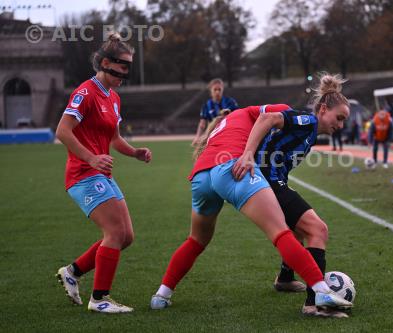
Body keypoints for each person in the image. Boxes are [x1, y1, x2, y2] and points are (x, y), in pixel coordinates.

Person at [150, 100, 352, 314]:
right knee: (282, 232)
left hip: (202, 176)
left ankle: (161, 295)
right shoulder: (250, 113)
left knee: (196, 240)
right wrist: (248, 153)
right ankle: (320, 291)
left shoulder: (222, 125)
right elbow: (269, 116)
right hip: (231, 169)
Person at [232, 73, 351, 317]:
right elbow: (267, 118)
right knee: (318, 230)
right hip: (266, 179)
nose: (340, 125)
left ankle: (285, 278)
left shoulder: (311, 131)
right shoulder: (307, 120)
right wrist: (247, 154)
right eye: (339, 118)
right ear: (323, 109)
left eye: (343, 122)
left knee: (298, 230)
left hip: (271, 180)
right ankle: (314, 303)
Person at [55, 33, 152, 313]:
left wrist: (134, 152)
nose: (126, 73)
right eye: (123, 66)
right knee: (114, 232)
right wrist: (91, 158)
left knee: (127, 237)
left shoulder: (114, 98)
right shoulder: (85, 92)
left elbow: (115, 139)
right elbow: (63, 131)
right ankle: (100, 299)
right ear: (106, 63)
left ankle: (72, 272)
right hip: (83, 174)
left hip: (101, 175)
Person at [192, 78, 238, 146]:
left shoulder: (230, 102)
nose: (217, 92)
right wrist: (197, 136)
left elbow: (237, 116)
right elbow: (202, 123)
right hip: (213, 135)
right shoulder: (206, 105)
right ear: (210, 90)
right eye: (215, 89)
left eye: (219, 89)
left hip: (228, 134)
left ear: (222, 89)